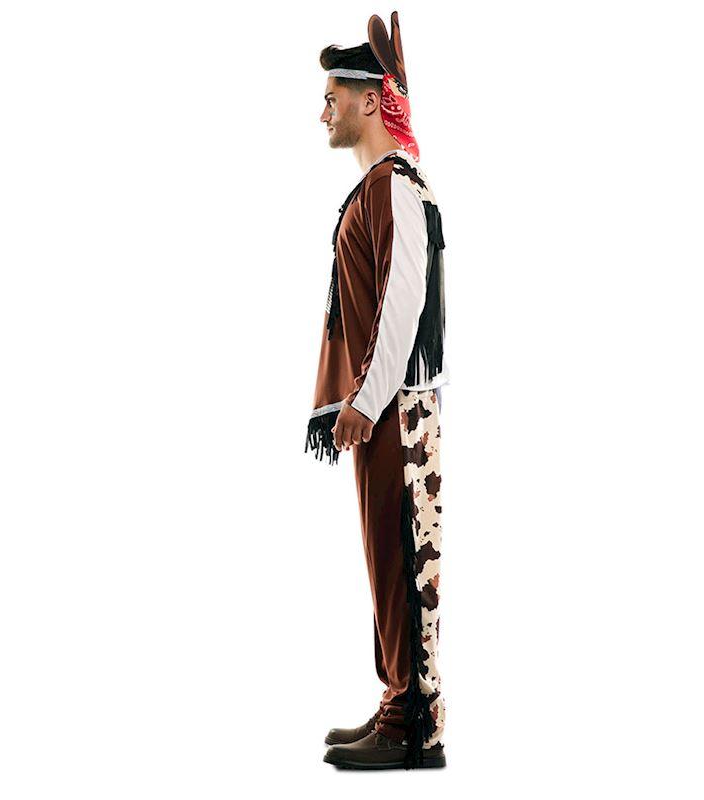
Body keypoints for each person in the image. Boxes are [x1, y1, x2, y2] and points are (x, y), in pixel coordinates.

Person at [304, 11, 450, 770]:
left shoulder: (394, 188)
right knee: (387, 556)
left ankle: (411, 725)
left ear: (369, 99)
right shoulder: (377, 188)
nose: (322, 112)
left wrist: (365, 400)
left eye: (331, 96)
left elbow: (402, 300)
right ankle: (398, 700)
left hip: (395, 407)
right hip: (384, 404)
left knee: (403, 552)